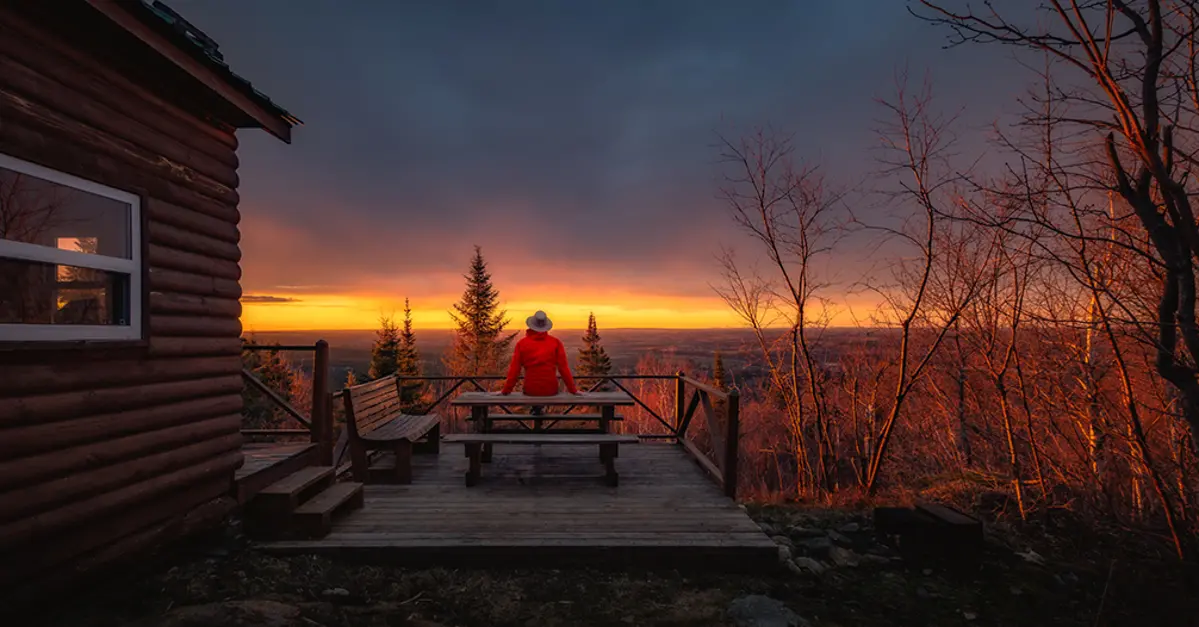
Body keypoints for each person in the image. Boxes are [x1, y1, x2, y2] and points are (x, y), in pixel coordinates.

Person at [500, 310, 580, 414]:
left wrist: (506, 391)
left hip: (530, 390)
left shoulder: (522, 344)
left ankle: (536, 413)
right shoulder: (555, 343)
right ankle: (540, 415)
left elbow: (515, 370)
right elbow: (563, 369)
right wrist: (573, 390)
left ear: (531, 326)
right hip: (551, 390)